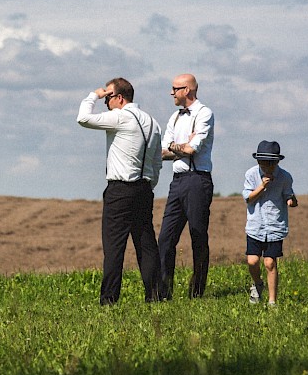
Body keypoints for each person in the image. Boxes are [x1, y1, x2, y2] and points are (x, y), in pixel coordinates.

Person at [77, 77, 163, 305]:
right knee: (146, 243)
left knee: (114, 246)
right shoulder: (153, 122)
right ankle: (154, 295)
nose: (106, 101)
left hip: (120, 189)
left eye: (109, 97)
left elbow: (83, 118)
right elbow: (156, 162)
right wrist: (149, 185)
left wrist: (94, 95)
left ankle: (109, 299)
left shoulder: (121, 117)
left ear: (120, 98)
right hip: (144, 188)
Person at [157, 73, 215, 299]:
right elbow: (164, 152)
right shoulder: (174, 117)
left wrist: (178, 147)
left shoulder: (204, 113)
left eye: (175, 88)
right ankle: (164, 291)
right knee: (165, 238)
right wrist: (179, 146)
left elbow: (193, 149)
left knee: (198, 235)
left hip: (197, 179)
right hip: (178, 181)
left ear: (187, 90)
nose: (172, 93)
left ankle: (197, 292)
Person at [243, 140, 298, 306]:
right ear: (258, 161)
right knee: (252, 261)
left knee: (270, 262)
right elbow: (248, 198)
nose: (268, 166)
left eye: (271, 163)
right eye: (264, 163)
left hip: (275, 226)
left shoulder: (285, 177)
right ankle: (257, 284)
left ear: (277, 162)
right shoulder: (251, 174)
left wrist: (291, 201)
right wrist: (262, 186)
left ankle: (272, 302)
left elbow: (289, 195)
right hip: (255, 226)